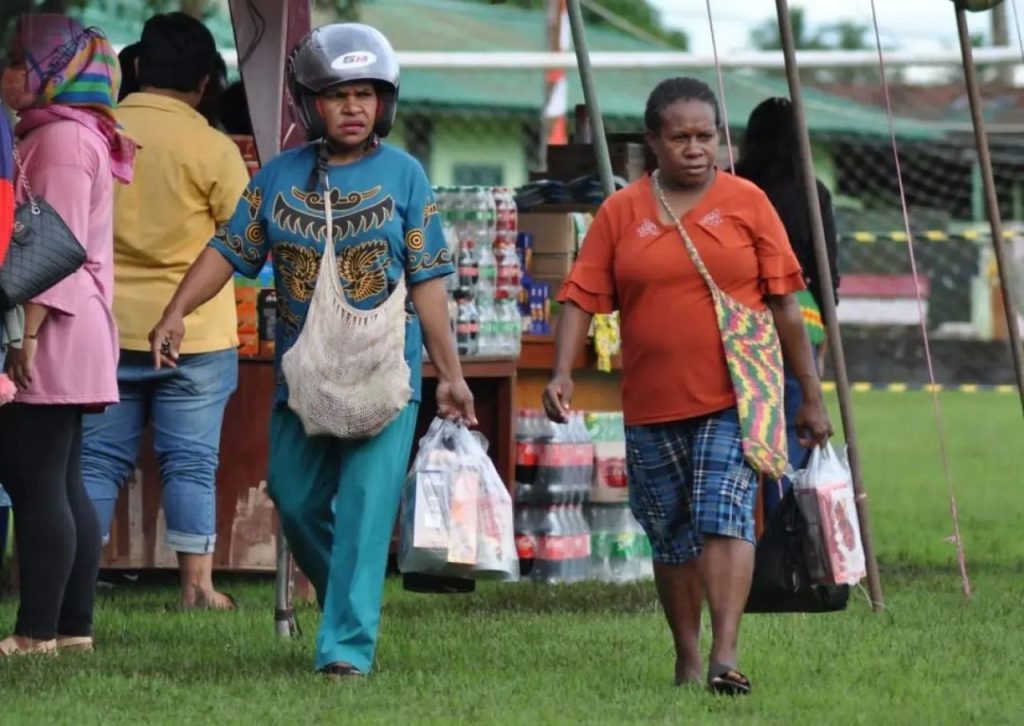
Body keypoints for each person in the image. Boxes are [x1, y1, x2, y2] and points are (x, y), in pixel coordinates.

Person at [149, 23, 476, 677]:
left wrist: (450, 374)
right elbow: (229, 249)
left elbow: (430, 281)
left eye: (365, 93)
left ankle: (345, 652)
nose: (352, 107)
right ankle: (345, 604)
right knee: (295, 503)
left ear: (385, 102)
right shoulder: (276, 177)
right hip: (302, 378)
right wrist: (177, 311)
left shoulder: (406, 176)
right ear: (309, 104)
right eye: (336, 94)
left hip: (389, 376)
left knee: (362, 508)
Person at [543, 78, 831, 695]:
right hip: (651, 404)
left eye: (707, 137)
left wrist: (809, 392)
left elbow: (785, 305)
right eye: (681, 137)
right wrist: (563, 371)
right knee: (670, 532)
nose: (697, 149)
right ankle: (687, 655)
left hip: (737, 398)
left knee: (725, 515)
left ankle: (726, 654)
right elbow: (580, 298)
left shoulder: (749, 202)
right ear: (654, 141)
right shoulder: (621, 212)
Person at [81, 13, 249, 610]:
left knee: (96, 460)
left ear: (137, 67)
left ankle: (75, 583)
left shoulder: (94, 133)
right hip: (195, 335)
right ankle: (197, 587)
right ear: (206, 82)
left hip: (102, 327)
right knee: (191, 463)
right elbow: (241, 239)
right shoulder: (213, 146)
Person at [0, 14, 134, 656]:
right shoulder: (75, 135)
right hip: (71, 325)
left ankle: (35, 633)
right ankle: (73, 627)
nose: (6, 74)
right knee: (61, 479)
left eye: (16, 61)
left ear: (51, 73)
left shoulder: (57, 143)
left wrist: (24, 337)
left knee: (34, 480)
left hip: (51, 327)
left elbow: (53, 247)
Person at [734, 97, 840, 497]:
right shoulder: (812, 193)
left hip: (739, 316)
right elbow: (827, 272)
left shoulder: (730, 185)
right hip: (803, 318)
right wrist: (825, 343)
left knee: (741, 425)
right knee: (795, 431)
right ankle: (787, 538)